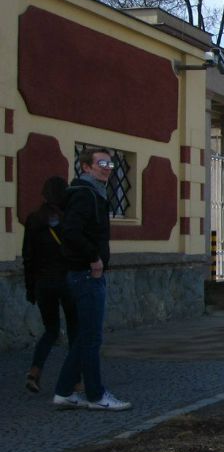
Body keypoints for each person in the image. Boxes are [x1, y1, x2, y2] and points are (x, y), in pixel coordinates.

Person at [53, 147, 131, 411]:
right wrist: (93, 258)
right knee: (92, 337)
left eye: (110, 165)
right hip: (86, 274)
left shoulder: (94, 193)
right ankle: (97, 396)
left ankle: (64, 391)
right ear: (86, 167)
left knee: (84, 336)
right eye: (101, 164)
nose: (107, 169)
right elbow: (72, 232)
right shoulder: (86, 195)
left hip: (83, 273)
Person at [22, 176, 78, 393]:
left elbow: (28, 258)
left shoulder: (34, 219)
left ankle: (35, 371)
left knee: (51, 330)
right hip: (67, 282)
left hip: (43, 283)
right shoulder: (69, 220)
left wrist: (30, 288)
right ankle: (76, 380)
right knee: (75, 330)